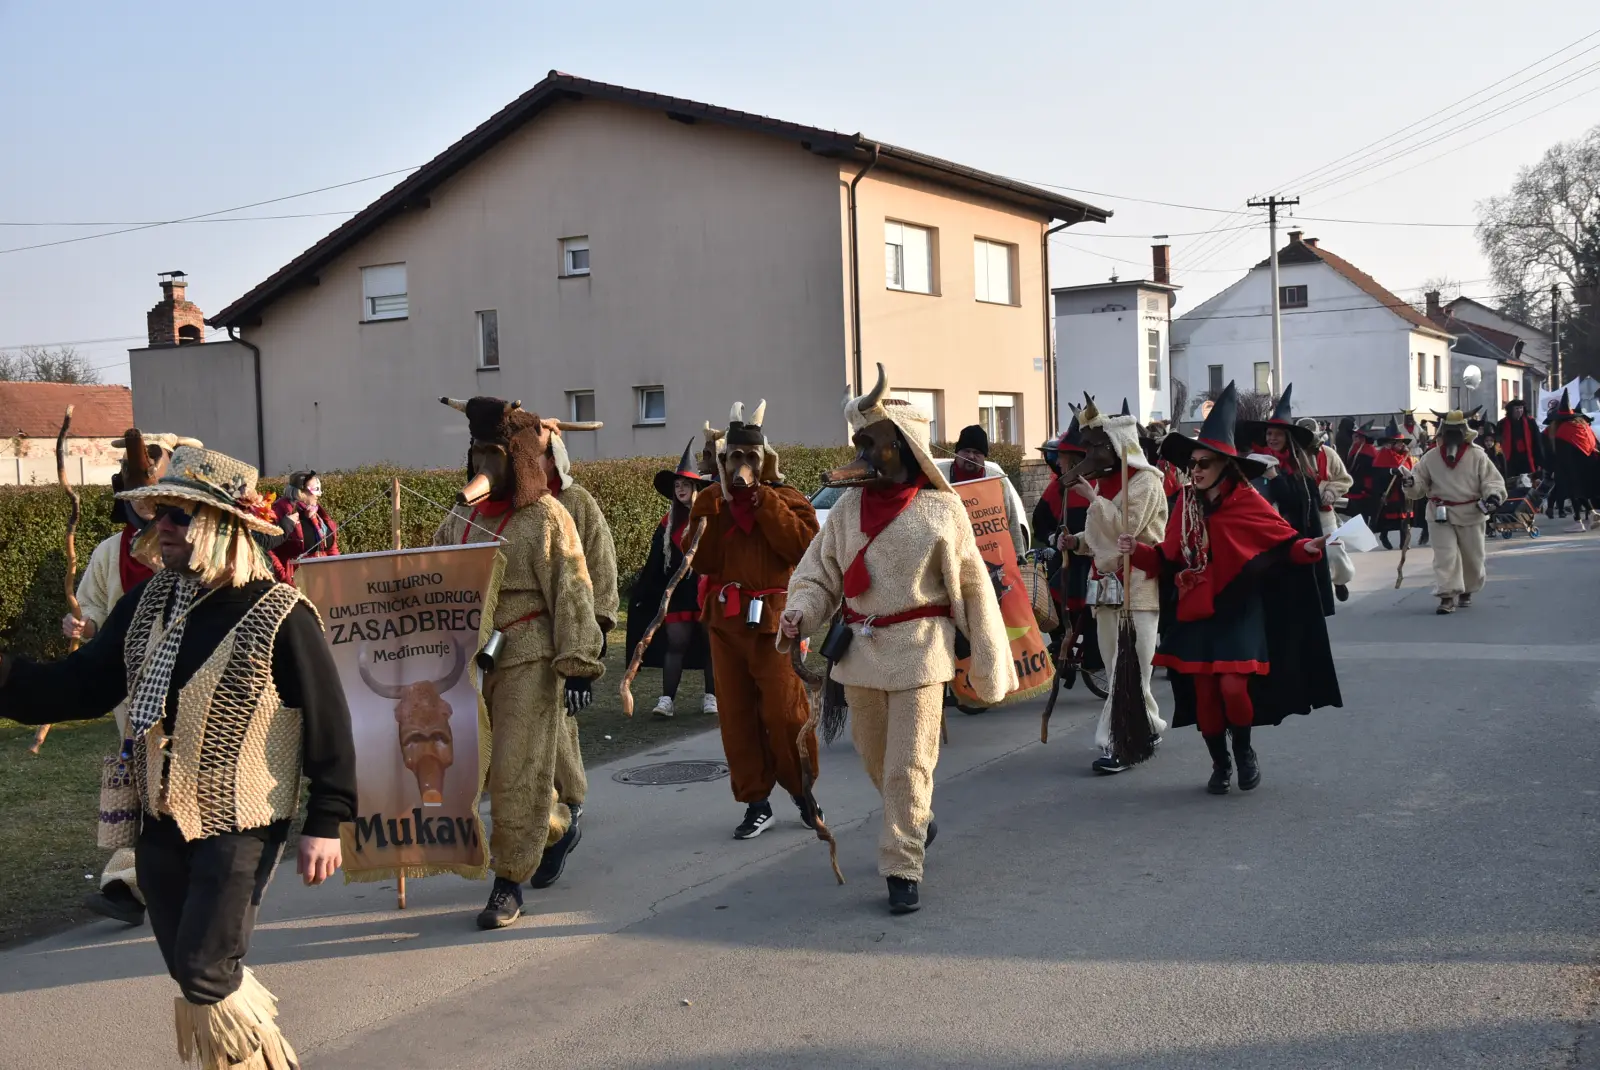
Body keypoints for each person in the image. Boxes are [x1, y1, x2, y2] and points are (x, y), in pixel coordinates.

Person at [1, 445, 355, 1069]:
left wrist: (328, 821)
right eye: (158, 512)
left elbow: (330, 721)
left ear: (224, 526)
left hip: (241, 819)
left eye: (178, 515)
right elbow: (79, 685)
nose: (158, 526)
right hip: (159, 817)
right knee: (194, 970)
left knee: (204, 966)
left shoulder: (280, 613)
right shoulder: (147, 605)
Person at [783, 365, 1013, 913]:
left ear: (903, 446)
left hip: (921, 652)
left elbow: (973, 587)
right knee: (875, 758)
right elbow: (818, 574)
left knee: (909, 765)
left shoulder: (943, 508)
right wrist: (799, 611)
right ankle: (917, 817)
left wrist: (987, 658)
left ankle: (902, 865)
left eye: (871, 443)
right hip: (860, 655)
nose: (861, 453)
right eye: (858, 441)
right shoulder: (844, 510)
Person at [434, 397, 604, 928]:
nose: (485, 466)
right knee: (481, 774)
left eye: (496, 454)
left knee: (516, 770)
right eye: (478, 453)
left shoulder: (548, 516)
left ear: (520, 459)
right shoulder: (460, 517)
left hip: (529, 654)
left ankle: (508, 883)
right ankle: (555, 822)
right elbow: (437, 576)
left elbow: (574, 588)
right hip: (472, 661)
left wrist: (578, 662)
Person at [1129, 382, 1341, 795]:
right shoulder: (1184, 505)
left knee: (1232, 687)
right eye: (1192, 463)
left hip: (1240, 608)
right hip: (1196, 610)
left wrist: (1310, 547)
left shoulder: (1247, 500)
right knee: (1206, 696)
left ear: (1227, 464)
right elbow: (1164, 560)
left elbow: (1284, 543)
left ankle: (1244, 751)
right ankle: (1220, 763)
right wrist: (1133, 550)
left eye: (1205, 462)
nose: (1197, 469)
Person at [62, 429, 202, 927]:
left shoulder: (195, 544)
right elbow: (94, 610)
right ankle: (129, 883)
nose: (152, 513)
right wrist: (82, 625)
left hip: (192, 682)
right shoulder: (106, 553)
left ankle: (160, 878)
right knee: (145, 785)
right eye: (141, 499)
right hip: (133, 686)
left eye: (160, 501)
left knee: (177, 784)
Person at [689, 399, 821, 840]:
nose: (742, 465)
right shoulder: (711, 501)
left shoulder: (788, 499)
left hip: (775, 627)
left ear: (764, 461)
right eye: (735, 457)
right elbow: (701, 561)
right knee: (737, 716)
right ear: (724, 461)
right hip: (726, 625)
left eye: (750, 457)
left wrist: (763, 501)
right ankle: (755, 801)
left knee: (785, 712)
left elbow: (804, 549)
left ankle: (803, 793)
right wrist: (714, 505)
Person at [1053, 397, 1169, 775]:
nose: (1087, 455)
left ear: (1117, 446)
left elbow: (1127, 531)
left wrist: (1093, 499)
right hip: (1104, 587)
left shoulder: (1147, 480)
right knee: (1121, 666)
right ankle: (1148, 726)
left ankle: (1117, 742)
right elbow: (1101, 536)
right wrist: (1077, 543)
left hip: (1137, 587)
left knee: (1128, 669)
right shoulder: (1108, 484)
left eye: (1094, 447)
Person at [539, 418, 618, 885]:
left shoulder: (577, 503)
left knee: (559, 720)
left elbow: (602, 567)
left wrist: (597, 628)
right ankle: (547, 804)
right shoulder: (509, 507)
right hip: (515, 638)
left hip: (568, 628)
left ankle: (569, 798)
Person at [626, 441, 717, 718]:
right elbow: (656, 562)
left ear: (695, 488)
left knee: (710, 643)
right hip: (676, 592)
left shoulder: (709, 518)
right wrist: (642, 592)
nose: (680, 489)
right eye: (677, 485)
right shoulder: (667, 522)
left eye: (685, 485)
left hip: (705, 589)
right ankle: (667, 700)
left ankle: (711, 697)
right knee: (675, 642)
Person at [1236, 386, 1336, 616]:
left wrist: (1276, 478)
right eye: (1269, 434)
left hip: (1293, 540)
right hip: (1265, 541)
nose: (1272, 438)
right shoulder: (1256, 463)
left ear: (1287, 438)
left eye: (1277, 435)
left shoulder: (1299, 469)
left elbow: (1295, 504)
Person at [1403, 409, 1506, 613]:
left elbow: (1491, 480)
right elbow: (1420, 484)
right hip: (1440, 513)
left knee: (1473, 557)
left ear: (1463, 432)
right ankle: (1447, 595)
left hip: (1471, 512)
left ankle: (1467, 589)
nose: (1451, 436)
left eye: (1455, 431)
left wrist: (1493, 495)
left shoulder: (1477, 455)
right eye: (1447, 431)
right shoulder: (1430, 457)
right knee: (1445, 556)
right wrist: (1410, 482)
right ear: (1442, 432)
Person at [949, 423, 1026, 561]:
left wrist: (1018, 553)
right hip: (952, 558)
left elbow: (1011, 520)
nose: (971, 456)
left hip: (990, 560)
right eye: (966, 451)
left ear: (984, 456)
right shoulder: (940, 477)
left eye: (977, 452)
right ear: (957, 452)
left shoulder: (997, 481)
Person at [1349, 419, 1414, 549]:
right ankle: (1384, 536)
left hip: (1403, 491)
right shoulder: (1383, 455)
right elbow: (1378, 473)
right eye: (1399, 443)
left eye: (1402, 443)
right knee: (1386, 519)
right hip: (1389, 491)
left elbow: (1410, 469)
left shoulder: (1405, 456)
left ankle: (1404, 542)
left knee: (1405, 518)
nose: (1401, 445)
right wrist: (1390, 471)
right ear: (1391, 444)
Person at [270, 471, 340, 581]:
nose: (320, 493)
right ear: (301, 492)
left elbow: (331, 546)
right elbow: (269, 547)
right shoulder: (280, 510)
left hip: (325, 580)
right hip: (297, 581)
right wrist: (284, 576)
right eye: (316, 489)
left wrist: (338, 571)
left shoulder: (316, 511)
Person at [1546, 390, 1600, 532]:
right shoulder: (1584, 426)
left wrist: (1557, 471)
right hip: (1590, 465)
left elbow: (1562, 455)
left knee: (1574, 493)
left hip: (1573, 468)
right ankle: (1593, 514)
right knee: (1581, 492)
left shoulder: (1563, 430)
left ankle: (1578, 522)